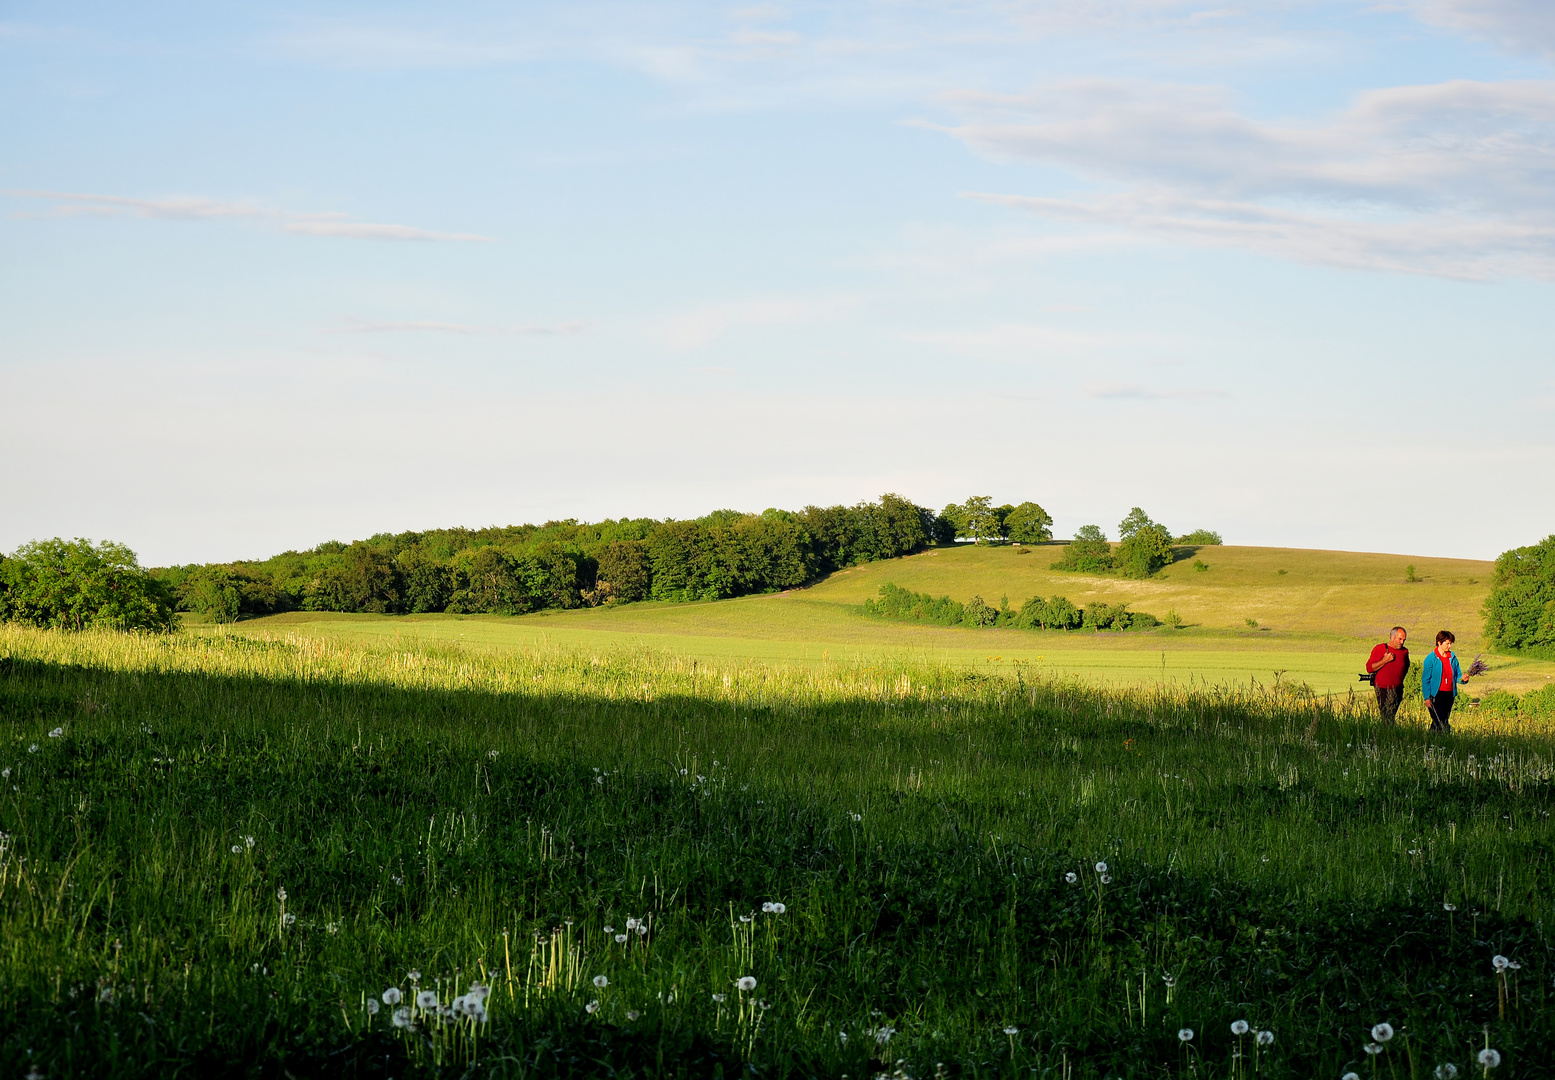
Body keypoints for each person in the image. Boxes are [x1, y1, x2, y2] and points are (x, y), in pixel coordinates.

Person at [1420, 630, 1472, 733]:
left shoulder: (1452, 658)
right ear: (1439, 643)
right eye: (1447, 643)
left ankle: (1431, 741)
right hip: (1436, 694)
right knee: (1441, 721)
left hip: (1449, 694)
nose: (1450, 646)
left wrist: (1464, 679)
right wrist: (1426, 697)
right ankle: (1444, 739)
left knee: (1440, 721)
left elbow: (1457, 675)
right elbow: (1425, 679)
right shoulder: (1431, 659)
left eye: (1450, 643)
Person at [1365, 626, 1410, 723]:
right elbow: (1369, 668)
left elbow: (1406, 667)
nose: (1402, 642)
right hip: (1383, 688)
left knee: (1391, 716)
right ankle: (1386, 735)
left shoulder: (1404, 651)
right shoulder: (1380, 649)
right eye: (1400, 639)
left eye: (1404, 640)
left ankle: (1388, 735)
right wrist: (1384, 660)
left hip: (1397, 688)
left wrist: (1400, 681)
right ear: (1392, 637)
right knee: (1386, 717)